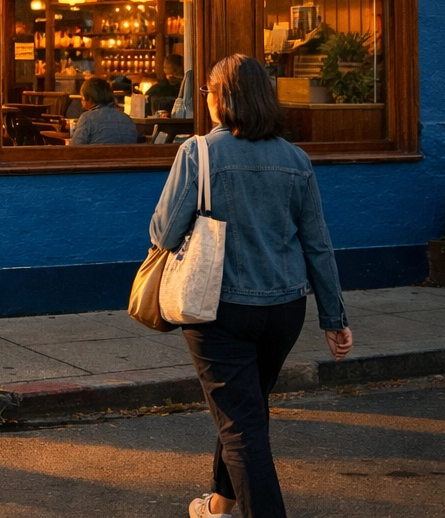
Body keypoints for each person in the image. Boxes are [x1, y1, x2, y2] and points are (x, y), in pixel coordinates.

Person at [149, 54, 353, 518]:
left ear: (221, 99)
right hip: (284, 311)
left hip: (218, 308)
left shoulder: (198, 153)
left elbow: (163, 232)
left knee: (241, 426)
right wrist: (334, 318)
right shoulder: (295, 158)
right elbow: (318, 244)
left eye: (208, 94)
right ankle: (219, 504)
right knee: (247, 409)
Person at [69, 76, 139, 145]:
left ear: (90, 99)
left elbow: (73, 148)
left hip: (97, 156)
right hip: (125, 156)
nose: (81, 102)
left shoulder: (87, 118)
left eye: (82, 98)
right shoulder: (127, 119)